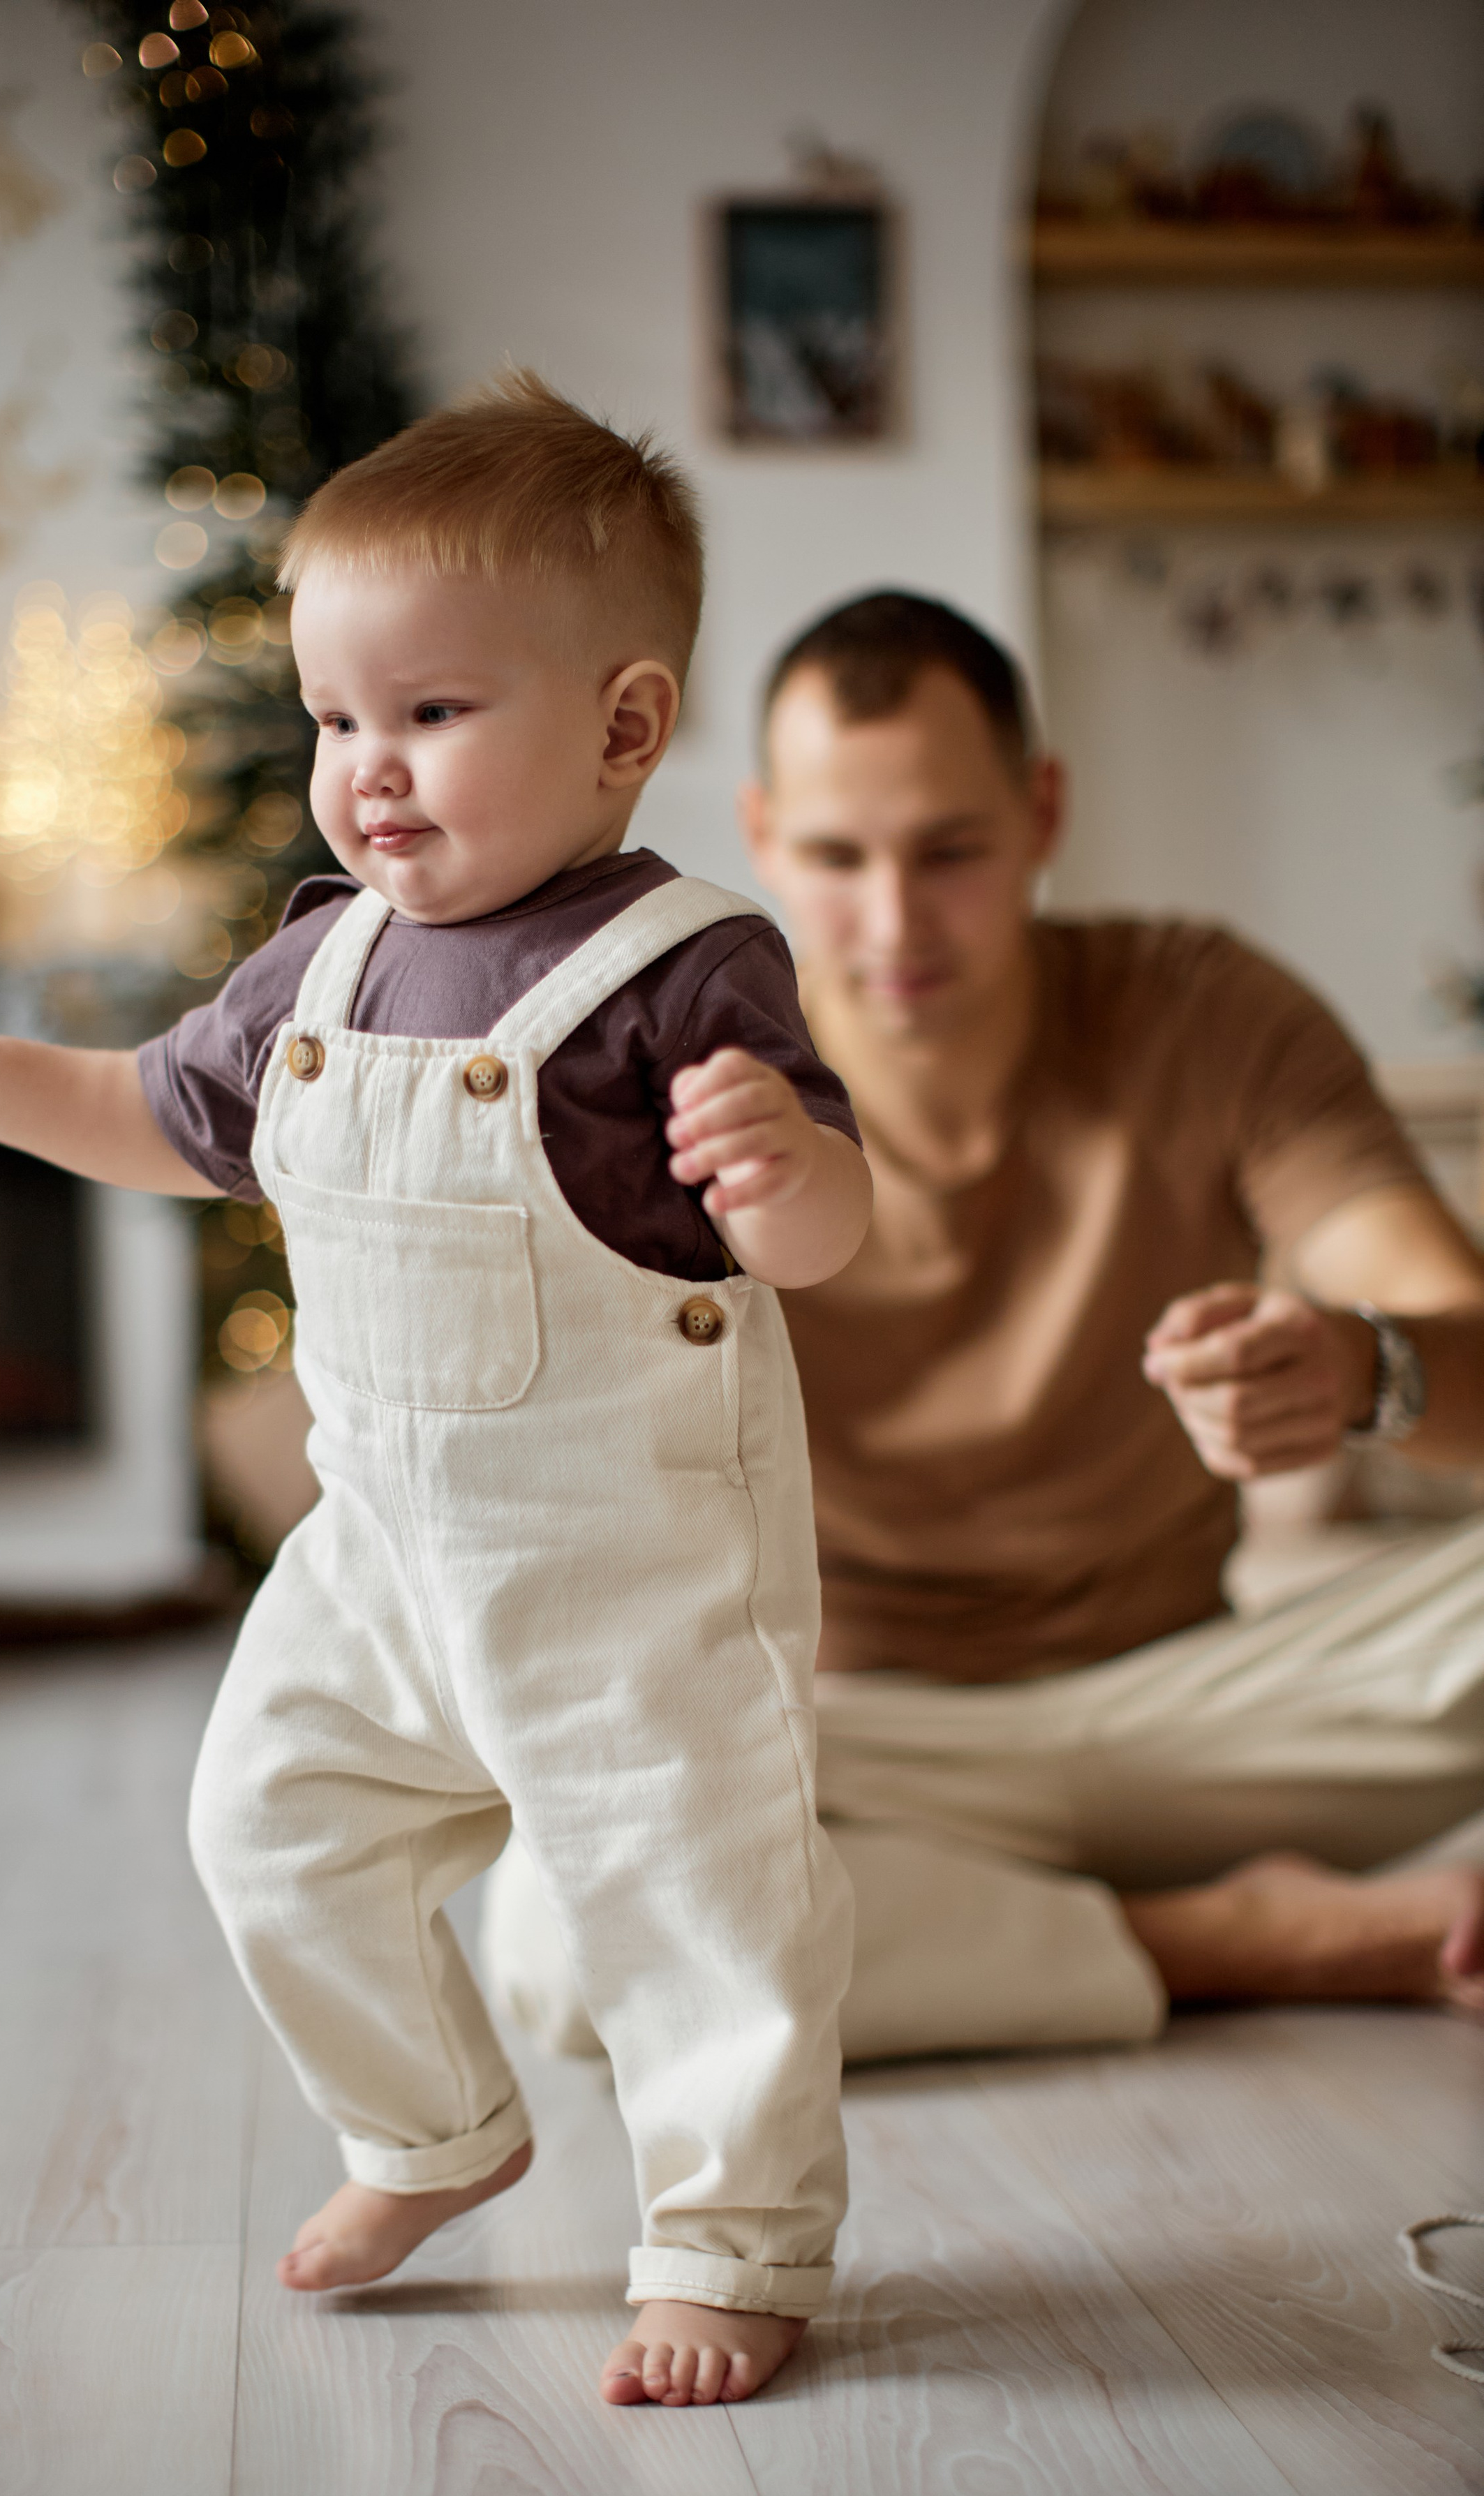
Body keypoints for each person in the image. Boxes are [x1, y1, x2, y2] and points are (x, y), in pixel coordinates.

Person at [0, 374, 873, 2411]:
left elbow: (818, 1246)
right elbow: (148, 1113)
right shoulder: (317, 970)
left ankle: (733, 2244)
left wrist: (790, 1171)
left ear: (626, 726)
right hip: (381, 1554)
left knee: (696, 1903)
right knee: (265, 1826)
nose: (368, 773)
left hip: (631, 1571)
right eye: (334, 719)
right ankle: (430, 2133)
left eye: (433, 715)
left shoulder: (679, 969)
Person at [482, 588, 1484, 2067]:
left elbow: (1443, 1321)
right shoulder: (662, 1087)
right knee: (555, 1942)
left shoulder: (1206, 1012)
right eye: (834, 858)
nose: (893, 924)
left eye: (948, 852)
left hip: (1199, 1716)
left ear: (1040, 811)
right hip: (851, 1739)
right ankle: (1233, 1938)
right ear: (761, 835)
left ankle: (990, 1927)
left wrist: (1353, 1365)